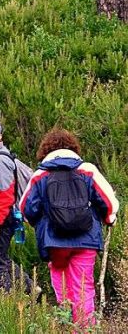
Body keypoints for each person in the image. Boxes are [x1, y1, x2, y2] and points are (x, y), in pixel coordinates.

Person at [20, 129, 119, 327]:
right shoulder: (88, 170)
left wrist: (40, 224)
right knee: (84, 287)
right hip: (86, 239)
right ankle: (84, 329)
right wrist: (109, 219)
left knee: (61, 283)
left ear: (46, 150)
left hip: (54, 241)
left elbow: (26, 208)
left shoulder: (41, 174)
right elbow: (109, 202)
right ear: (73, 148)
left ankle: (64, 324)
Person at [0, 119, 36, 295]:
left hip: (1, 220)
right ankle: (31, 288)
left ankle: (7, 300)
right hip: (3, 218)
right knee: (0, 257)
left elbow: (5, 195)